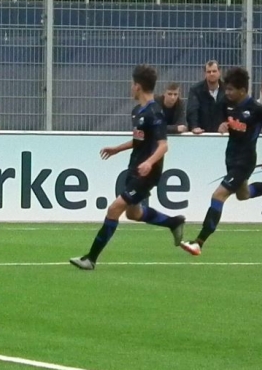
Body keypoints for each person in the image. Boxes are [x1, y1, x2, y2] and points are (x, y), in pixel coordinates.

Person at [70, 65, 186, 271]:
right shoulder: (138, 111)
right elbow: (139, 141)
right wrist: (117, 149)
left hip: (147, 173)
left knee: (114, 209)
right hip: (135, 168)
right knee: (133, 213)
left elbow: (163, 145)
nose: (131, 88)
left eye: (132, 84)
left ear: (138, 86)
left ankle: (91, 259)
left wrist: (149, 162)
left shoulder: (155, 112)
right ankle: (173, 222)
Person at [179, 67, 262, 256]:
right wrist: (223, 125)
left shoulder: (256, 109)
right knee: (244, 194)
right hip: (231, 157)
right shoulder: (227, 103)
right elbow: (224, 121)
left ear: (242, 90)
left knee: (218, 196)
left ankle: (199, 242)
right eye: (227, 89)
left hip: (245, 161)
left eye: (231, 89)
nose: (227, 92)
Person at [187, 60, 225, 134]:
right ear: (205, 74)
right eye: (209, 72)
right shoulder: (195, 90)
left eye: (214, 71)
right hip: (202, 134)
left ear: (219, 72)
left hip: (223, 134)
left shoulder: (227, 89)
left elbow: (232, 109)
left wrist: (227, 124)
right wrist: (194, 126)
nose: (211, 74)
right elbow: (192, 110)